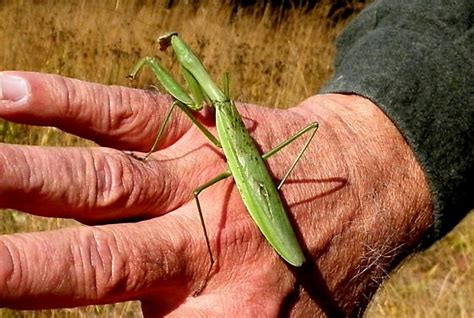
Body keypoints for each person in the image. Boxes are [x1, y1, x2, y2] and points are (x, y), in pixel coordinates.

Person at [0, 0, 471, 316]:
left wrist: (362, 144)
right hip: (241, 145)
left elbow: (186, 107)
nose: (166, 48)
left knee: (213, 187)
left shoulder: (219, 109)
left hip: (260, 188)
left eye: (169, 46)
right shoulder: (220, 101)